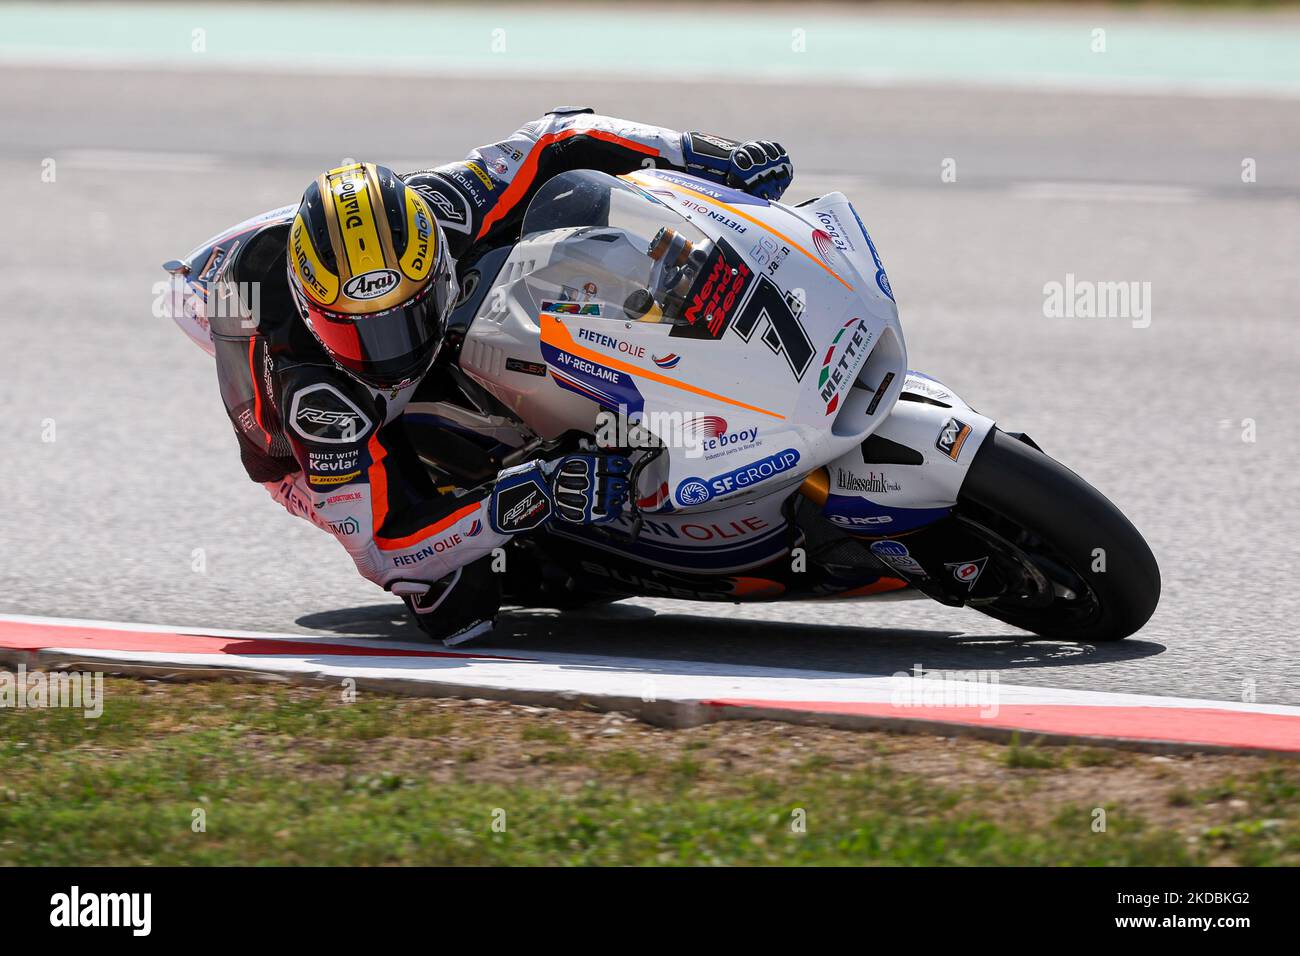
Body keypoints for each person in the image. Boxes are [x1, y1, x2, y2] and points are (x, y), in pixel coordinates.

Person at [218, 108, 794, 644]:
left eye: (405, 317)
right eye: (359, 332)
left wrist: (697, 152)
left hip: (428, 306)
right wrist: (532, 493)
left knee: (575, 217)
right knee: (455, 607)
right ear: (313, 310)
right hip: (305, 456)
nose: (389, 353)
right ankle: (550, 537)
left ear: (434, 260)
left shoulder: (444, 209)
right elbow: (384, 549)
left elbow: (558, 137)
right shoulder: (317, 402)